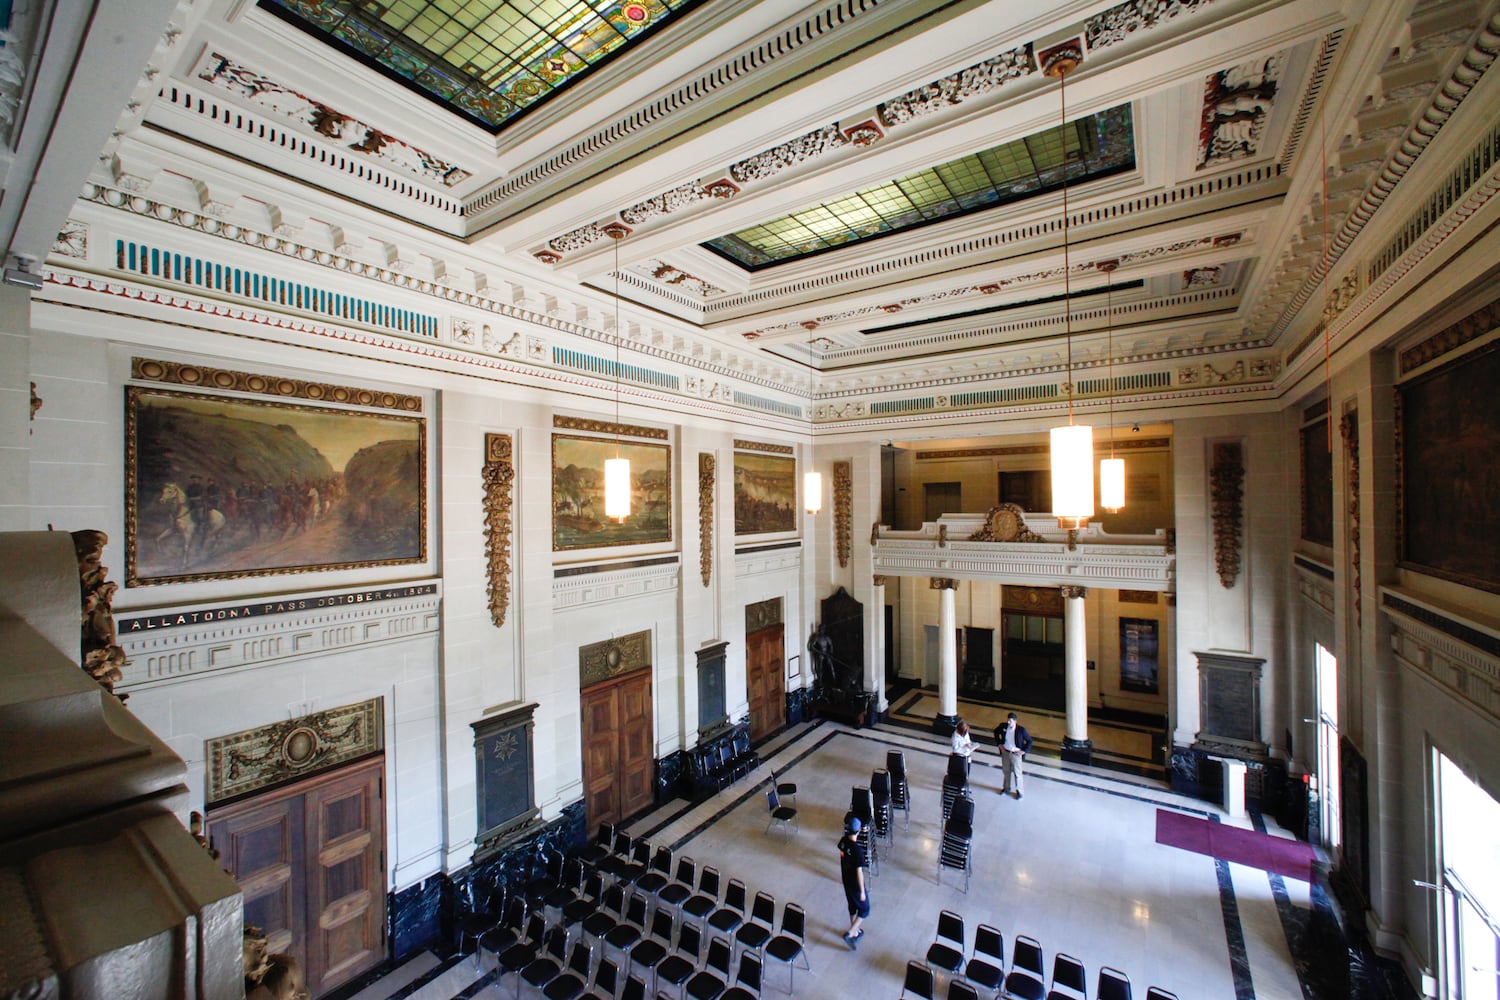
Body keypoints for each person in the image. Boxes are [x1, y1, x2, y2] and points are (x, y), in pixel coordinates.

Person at [838, 815, 870, 949]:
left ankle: (855, 930)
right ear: (859, 831)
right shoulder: (857, 851)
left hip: (846, 880)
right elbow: (859, 872)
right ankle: (850, 933)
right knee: (865, 910)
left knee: (852, 905)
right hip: (855, 885)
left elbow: (842, 854)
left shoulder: (844, 841)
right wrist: (862, 891)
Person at [996, 711, 1032, 799]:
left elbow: (1029, 741)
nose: (1009, 722)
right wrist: (999, 744)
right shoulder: (1003, 726)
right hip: (1006, 752)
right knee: (1006, 771)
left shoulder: (1021, 730)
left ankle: (1019, 791)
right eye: (1008, 720)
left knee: (1017, 773)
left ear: (1015, 721)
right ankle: (1006, 788)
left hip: (1016, 754)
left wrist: (1024, 751)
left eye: (1011, 721)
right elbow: (996, 732)